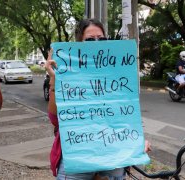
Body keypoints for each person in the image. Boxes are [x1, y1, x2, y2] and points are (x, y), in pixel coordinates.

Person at [45, 18, 151, 180]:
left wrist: (136, 140)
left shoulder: (118, 72)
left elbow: (127, 115)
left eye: (101, 39)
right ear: (79, 42)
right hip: (76, 159)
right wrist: (54, 80)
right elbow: (54, 118)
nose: (96, 43)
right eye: (89, 39)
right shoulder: (68, 72)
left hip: (114, 156)